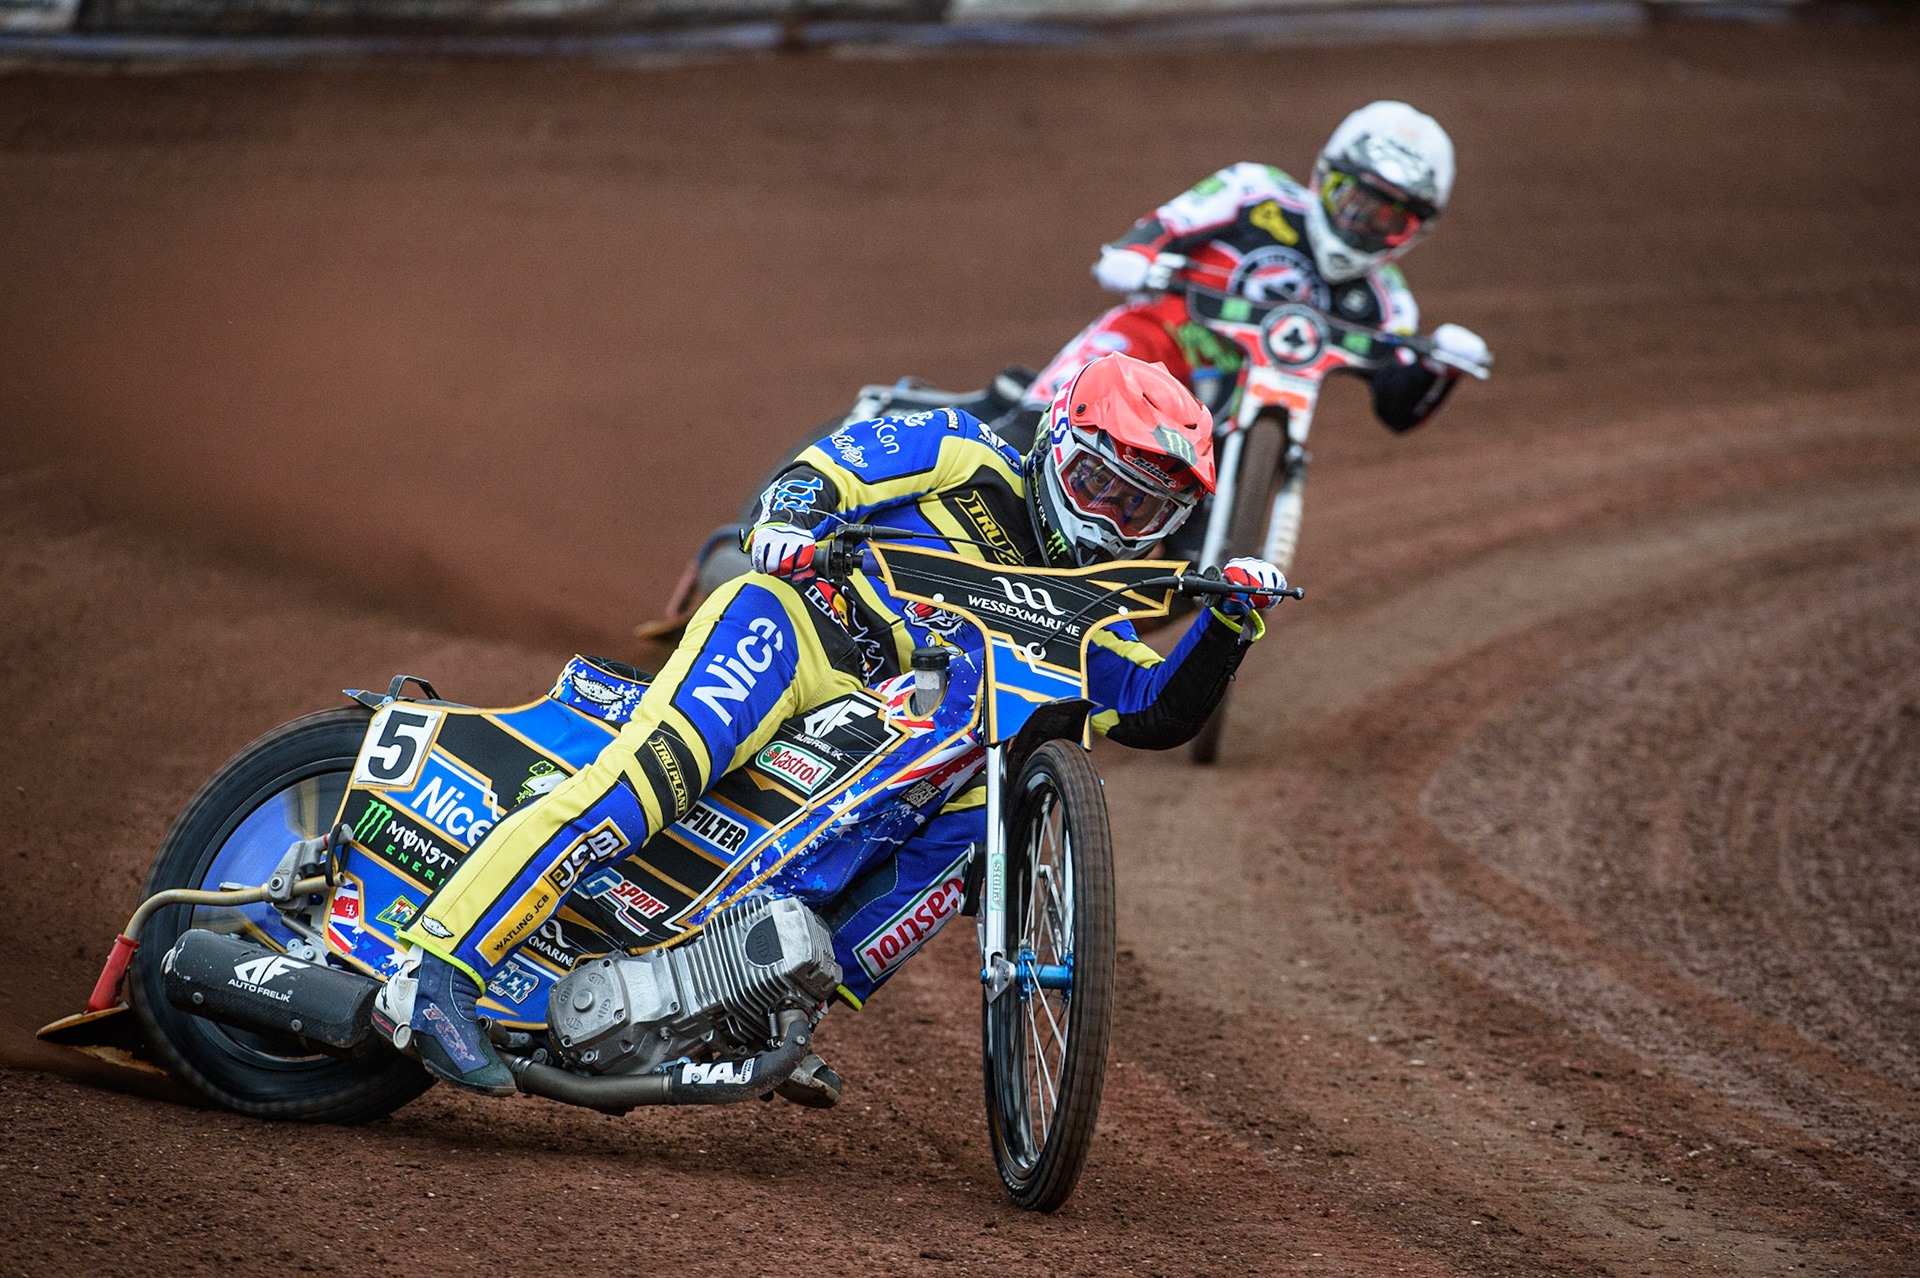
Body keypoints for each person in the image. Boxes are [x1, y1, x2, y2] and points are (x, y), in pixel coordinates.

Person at [388, 354, 1290, 1095]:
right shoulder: (960, 448)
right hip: (797, 634)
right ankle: (437, 972)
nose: (1107, 518)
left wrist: (1229, 624)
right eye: (1097, 484)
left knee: (978, 820)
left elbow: (1158, 712)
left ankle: (759, 1003)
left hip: (896, 731)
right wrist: (788, 520)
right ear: (1058, 443)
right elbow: (825, 470)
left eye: (1138, 508)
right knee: (648, 779)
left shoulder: (1099, 614)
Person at [1010, 101, 1490, 446]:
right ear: (1324, 176)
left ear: (1416, 230)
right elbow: (1168, 225)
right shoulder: (1255, 191)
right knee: (1035, 429)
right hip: (1151, 345)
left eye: (1389, 218)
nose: (1359, 223)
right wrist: (1132, 255)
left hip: (1235, 412)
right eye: (1354, 199)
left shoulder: (1387, 302)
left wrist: (1438, 367)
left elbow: (1397, 408)